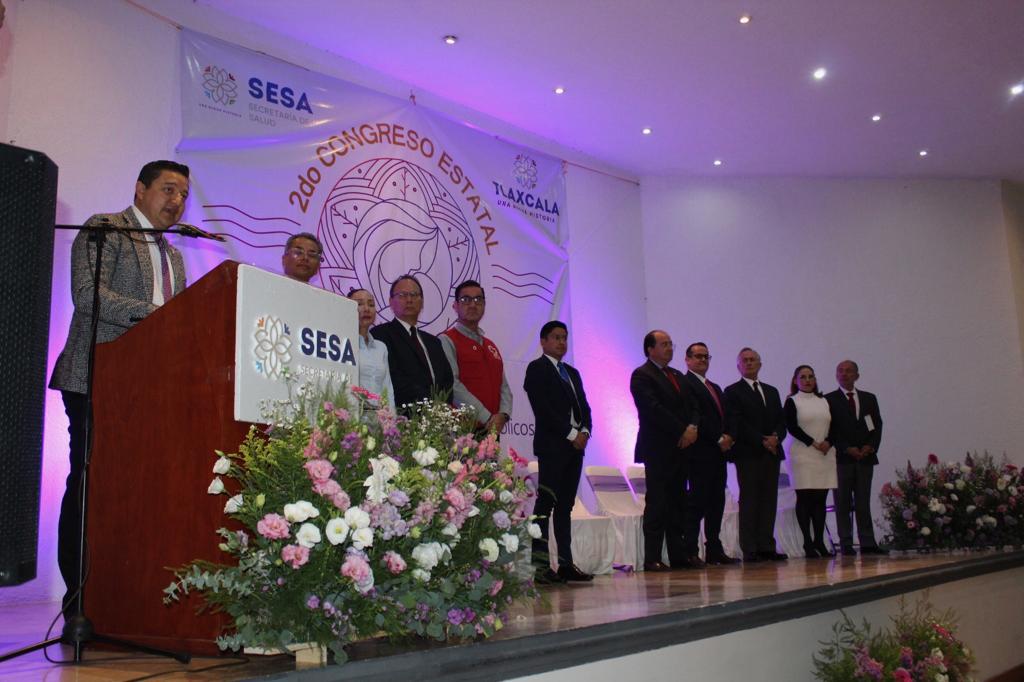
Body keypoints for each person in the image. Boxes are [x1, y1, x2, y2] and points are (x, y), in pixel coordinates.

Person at [48, 160, 191, 617]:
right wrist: (160, 316)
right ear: (140, 189)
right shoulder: (106, 229)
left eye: (184, 194)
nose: (177, 201)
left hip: (149, 388)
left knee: (137, 492)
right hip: (96, 377)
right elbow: (89, 296)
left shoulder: (174, 255)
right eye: (169, 189)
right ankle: (80, 602)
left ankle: (126, 597)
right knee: (91, 484)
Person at [523, 321, 594, 584]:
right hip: (553, 446)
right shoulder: (537, 368)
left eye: (564, 337)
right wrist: (571, 434)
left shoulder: (572, 372)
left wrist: (585, 431)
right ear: (543, 341)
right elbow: (543, 409)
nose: (561, 342)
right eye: (556, 337)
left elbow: (584, 407)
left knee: (566, 506)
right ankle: (541, 567)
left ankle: (565, 564)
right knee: (545, 505)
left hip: (575, 448)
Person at [630, 330, 701, 571]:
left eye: (671, 344)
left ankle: (678, 555)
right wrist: (682, 430)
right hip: (658, 448)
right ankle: (652, 558)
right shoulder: (642, 375)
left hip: (682, 448)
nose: (670, 348)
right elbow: (653, 409)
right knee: (658, 503)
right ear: (650, 349)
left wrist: (692, 427)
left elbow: (694, 406)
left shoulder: (678, 376)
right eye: (664, 344)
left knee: (678, 503)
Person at [723, 348, 788, 562]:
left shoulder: (772, 391)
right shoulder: (732, 391)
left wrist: (776, 437)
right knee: (750, 499)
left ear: (760, 364)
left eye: (753, 360)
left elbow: (781, 420)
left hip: (771, 452)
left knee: (769, 500)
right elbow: (738, 423)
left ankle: (766, 546)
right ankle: (750, 548)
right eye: (745, 360)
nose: (749, 363)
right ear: (738, 366)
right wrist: (762, 439)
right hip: (748, 453)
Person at [680, 342, 738, 565]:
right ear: (687, 360)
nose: (703, 360)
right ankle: (690, 550)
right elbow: (696, 417)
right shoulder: (686, 383)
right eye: (698, 356)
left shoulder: (714, 386)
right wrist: (718, 438)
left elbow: (728, 415)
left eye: (706, 356)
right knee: (697, 503)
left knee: (716, 501)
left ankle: (714, 548)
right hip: (700, 452)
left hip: (718, 454)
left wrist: (730, 436)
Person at [825, 360, 887, 556]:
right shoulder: (829, 400)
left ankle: (867, 541)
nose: (844, 374)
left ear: (857, 375)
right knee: (842, 502)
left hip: (865, 458)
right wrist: (846, 448)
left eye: (849, 371)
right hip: (842, 459)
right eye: (840, 371)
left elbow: (876, 426)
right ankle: (845, 542)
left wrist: (870, 446)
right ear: (836, 375)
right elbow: (830, 430)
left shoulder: (869, 398)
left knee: (863, 501)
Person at [370, 274, 453, 410]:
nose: (409, 300)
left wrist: (442, 407)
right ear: (391, 302)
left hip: (438, 418)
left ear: (422, 302)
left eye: (414, 295)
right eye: (402, 295)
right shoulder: (381, 335)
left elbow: (448, 380)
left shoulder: (434, 342)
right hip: (402, 416)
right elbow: (393, 377)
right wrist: (430, 404)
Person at [440, 279, 512, 435]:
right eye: (466, 299)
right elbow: (452, 385)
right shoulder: (447, 340)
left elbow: (504, 386)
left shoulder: (491, 345)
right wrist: (486, 417)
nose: (473, 305)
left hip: (492, 430)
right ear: (455, 306)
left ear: (484, 305)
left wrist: (503, 415)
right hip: (463, 432)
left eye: (478, 299)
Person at [783, 364, 836, 558]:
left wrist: (828, 442)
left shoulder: (824, 401)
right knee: (805, 498)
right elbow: (792, 427)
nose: (807, 380)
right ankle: (807, 542)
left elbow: (835, 425)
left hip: (824, 454)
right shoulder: (792, 401)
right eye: (803, 377)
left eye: (810, 376)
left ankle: (819, 541)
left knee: (820, 500)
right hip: (802, 454)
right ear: (795, 381)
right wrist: (813, 442)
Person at [347, 288, 395, 411]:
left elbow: (387, 389)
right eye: (359, 304)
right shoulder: (343, 343)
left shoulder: (381, 347)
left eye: (371, 304)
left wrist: (392, 417)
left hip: (379, 418)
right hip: (352, 415)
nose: (367, 309)